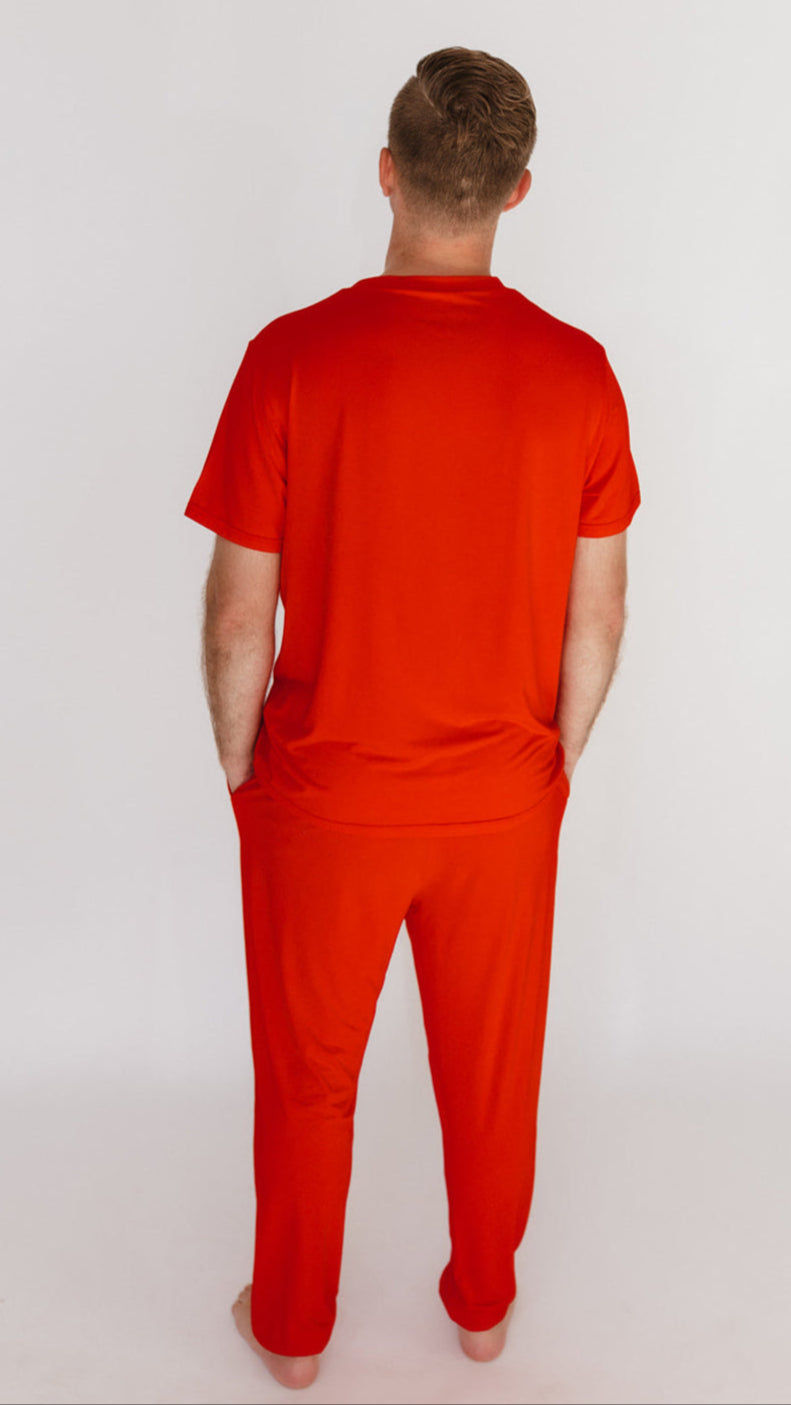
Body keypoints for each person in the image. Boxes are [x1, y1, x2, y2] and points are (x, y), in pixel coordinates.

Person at [183, 45, 641, 1391]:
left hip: (325, 799)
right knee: (494, 1076)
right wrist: (548, 766)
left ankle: (293, 1332)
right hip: (502, 799)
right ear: (518, 190)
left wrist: (244, 774)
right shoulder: (579, 374)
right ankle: (484, 1311)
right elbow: (601, 618)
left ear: (386, 172)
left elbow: (236, 620)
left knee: (307, 1077)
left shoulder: (290, 360)